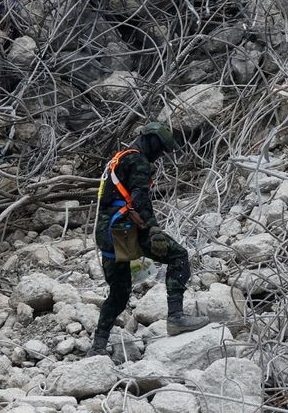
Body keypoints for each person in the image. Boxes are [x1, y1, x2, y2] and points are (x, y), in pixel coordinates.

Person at [89, 122, 209, 357]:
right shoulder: (138, 161)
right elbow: (139, 198)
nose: (161, 154)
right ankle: (176, 317)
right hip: (126, 230)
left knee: (120, 292)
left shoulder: (118, 159)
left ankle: (98, 346)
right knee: (179, 256)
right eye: (161, 148)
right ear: (152, 141)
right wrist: (153, 229)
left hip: (106, 232)